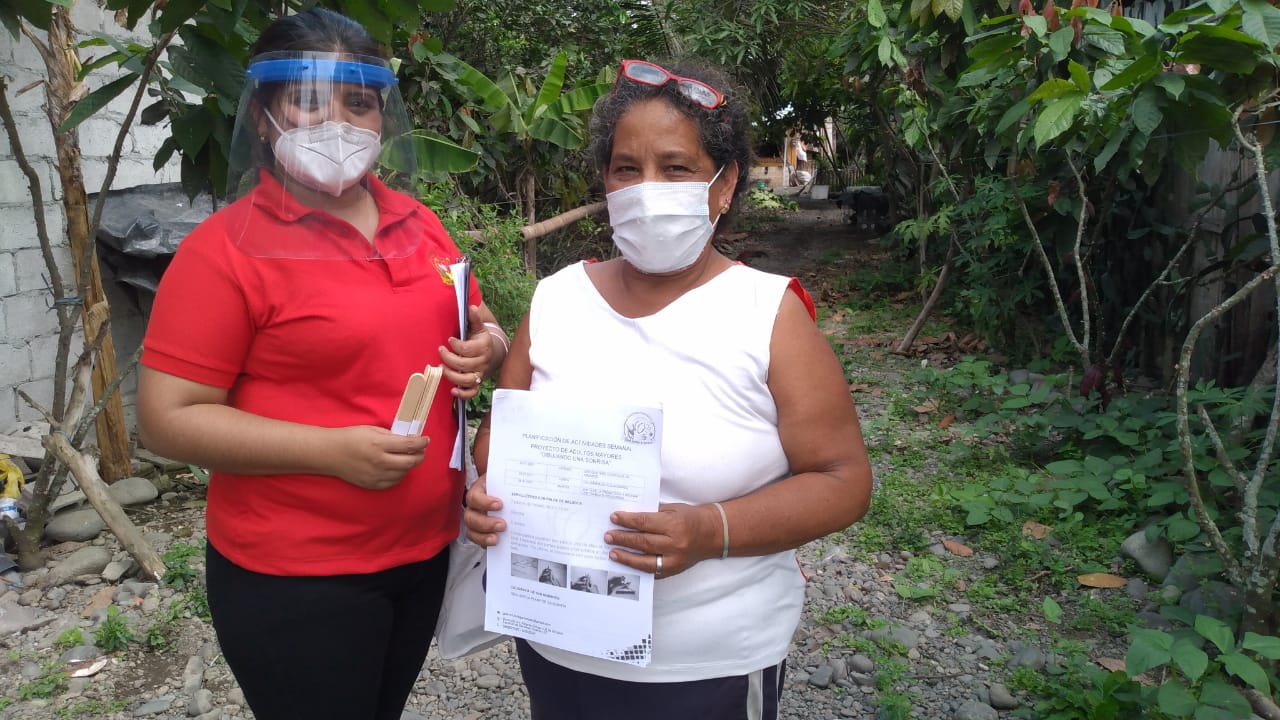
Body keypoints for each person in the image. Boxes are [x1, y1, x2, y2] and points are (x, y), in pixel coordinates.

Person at [463, 58, 873, 720]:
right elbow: (497, 445)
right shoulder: (557, 299)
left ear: (724, 183)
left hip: (707, 665)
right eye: (627, 168)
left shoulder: (768, 314)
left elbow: (843, 480)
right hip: (556, 644)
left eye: (676, 168)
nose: (647, 188)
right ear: (605, 181)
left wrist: (711, 530)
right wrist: (486, 499)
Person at [135, 9, 507, 720]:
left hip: (422, 553)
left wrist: (488, 348)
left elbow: (480, 321)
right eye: (308, 101)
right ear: (264, 116)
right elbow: (167, 419)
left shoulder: (418, 223)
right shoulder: (226, 250)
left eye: (358, 103)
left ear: (382, 116)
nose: (337, 122)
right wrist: (330, 452)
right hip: (297, 574)